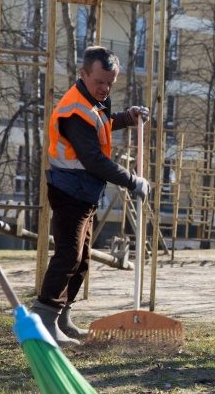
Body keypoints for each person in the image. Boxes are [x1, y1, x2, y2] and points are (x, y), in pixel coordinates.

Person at [31, 46, 151, 347]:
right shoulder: (74, 111)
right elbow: (93, 158)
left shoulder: (93, 101)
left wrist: (127, 117)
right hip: (68, 192)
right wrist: (131, 180)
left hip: (84, 193)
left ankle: (62, 319)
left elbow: (104, 126)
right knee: (68, 255)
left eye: (110, 83)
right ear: (83, 74)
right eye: (100, 81)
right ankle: (43, 320)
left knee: (82, 260)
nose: (105, 88)